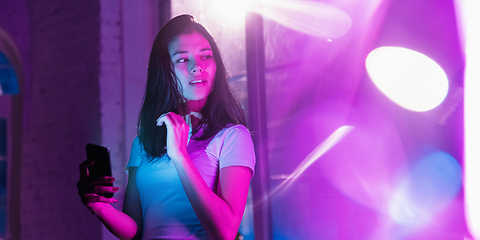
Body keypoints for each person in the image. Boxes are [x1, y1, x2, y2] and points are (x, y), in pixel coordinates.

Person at [77, 14, 256, 240]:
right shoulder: (143, 144)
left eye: (206, 56)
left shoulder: (232, 137)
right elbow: (136, 230)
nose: (197, 67)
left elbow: (226, 231)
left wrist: (180, 156)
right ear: (164, 71)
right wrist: (99, 207)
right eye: (182, 59)